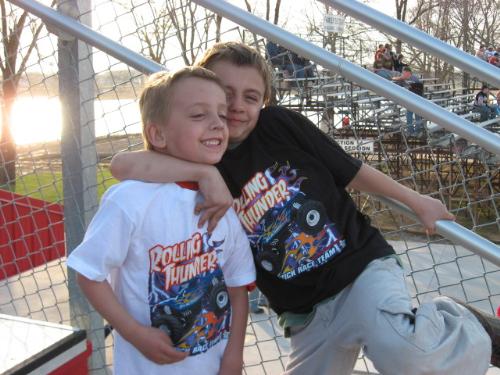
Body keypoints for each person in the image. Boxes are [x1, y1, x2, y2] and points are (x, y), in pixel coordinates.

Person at [110, 42, 499, 375]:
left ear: (264, 101)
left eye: (251, 97)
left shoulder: (280, 126)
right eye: (225, 94)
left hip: (359, 270)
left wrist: (416, 201)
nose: (236, 106)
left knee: (406, 353)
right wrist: (203, 173)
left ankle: (461, 322)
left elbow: (352, 170)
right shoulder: (201, 151)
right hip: (304, 312)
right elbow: (122, 165)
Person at [67, 67, 256, 375]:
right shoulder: (129, 200)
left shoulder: (222, 202)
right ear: (157, 134)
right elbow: (88, 274)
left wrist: (234, 356)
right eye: (198, 115)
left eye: (222, 115)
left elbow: (236, 287)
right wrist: (133, 332)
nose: (217, 124)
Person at [393, 66, 425, 136]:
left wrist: (402, 79)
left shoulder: (414, 79)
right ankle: (410, 131)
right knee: (409, 115)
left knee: (417, 116)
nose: (403, 74)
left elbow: (418, 89)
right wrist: (401, 78)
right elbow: (394, 80)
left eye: (404, 73)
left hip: (417, 100)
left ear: (408, 73)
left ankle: (417, 131)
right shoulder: (404, 79)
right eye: (402, 73)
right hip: (410, 100)